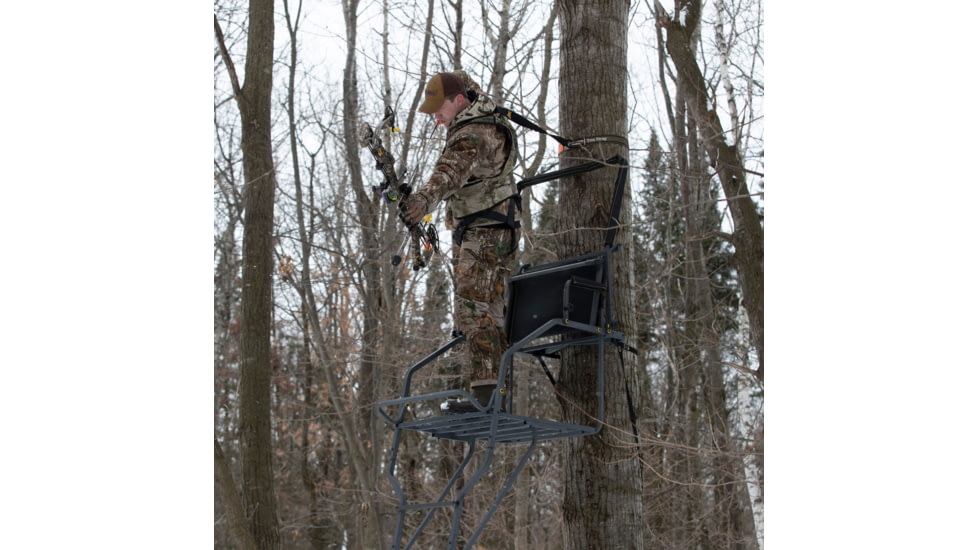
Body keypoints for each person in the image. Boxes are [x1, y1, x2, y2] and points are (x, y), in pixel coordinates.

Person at [398, 71, 521, 414]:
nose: (435, 115)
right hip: (496, 226)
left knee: (471, 309)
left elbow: (449, 173)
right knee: (490, 311)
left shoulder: (473, 132)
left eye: (440, 107)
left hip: (486, 229)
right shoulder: (481, 122)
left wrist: (421, 202)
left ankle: (485, 399)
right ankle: (493, 395)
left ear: (460, 101)